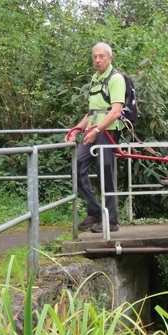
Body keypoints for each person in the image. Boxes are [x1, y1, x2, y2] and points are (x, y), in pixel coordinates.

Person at [66, 42, 126, 233]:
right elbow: (92, 111)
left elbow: (115, 112)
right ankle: (96, 211)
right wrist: (77, 129)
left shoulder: (116, 79)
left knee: (105, 174)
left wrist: (96, 131)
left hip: (107, 132)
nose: (98, 60)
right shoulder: (95, 78)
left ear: (110, 58)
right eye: (95, 57)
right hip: (92, 131)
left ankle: (112, 220)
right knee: (76, 169)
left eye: (102, 56)